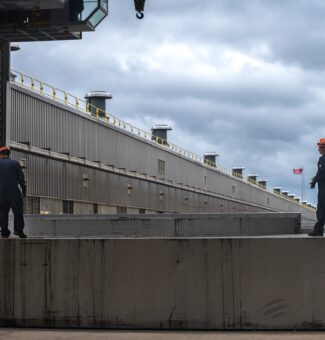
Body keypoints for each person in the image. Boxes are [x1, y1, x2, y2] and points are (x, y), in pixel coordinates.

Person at [0, 146, 27, 238]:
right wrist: (24, 189)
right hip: (13, 191)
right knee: (18, 210)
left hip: (1, 192)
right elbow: (21, 178)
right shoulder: (15, 163)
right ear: (9, 154)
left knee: (2, 212)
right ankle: (18, 230)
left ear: (1, 154)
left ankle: (4, 231)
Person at [308, 138, 325, 236]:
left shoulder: (323, 159)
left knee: (321, 209)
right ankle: (318, 230)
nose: (319, 149)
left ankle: (318, 230)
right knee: (321, 209)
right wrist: (315, 178)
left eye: (321, 147)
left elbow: (322, 173)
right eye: (319, 147)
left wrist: (315, 180)